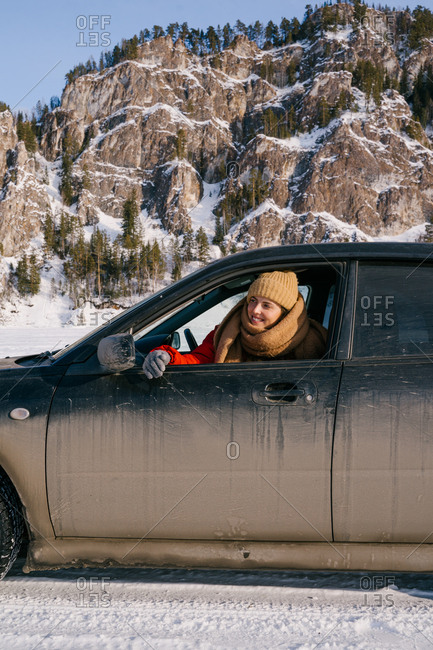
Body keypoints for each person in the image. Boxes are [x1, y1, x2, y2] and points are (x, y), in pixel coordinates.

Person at [143, 270, 328, 379]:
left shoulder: (314, 341)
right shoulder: (225, 333)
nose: (255, 310)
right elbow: (198, 360)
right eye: (253, 300)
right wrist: (166, 355)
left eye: (266, 305)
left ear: (285, 313)